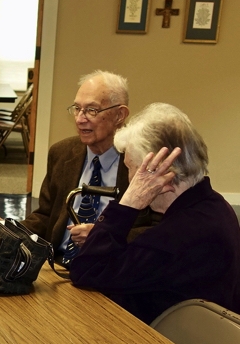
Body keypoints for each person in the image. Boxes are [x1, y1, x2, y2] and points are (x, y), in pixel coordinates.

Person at [70, 103, 240, 324]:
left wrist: (128, 203)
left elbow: (86, 271)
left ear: (160, 170)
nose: (129, 179)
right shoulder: (214, 206)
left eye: (131, 168)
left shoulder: (180, 234)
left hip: (160, 341)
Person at [18, 70, 139, 257]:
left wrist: (103, 236)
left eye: (91, 110)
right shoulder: (61, 153)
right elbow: (45, 216)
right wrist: (5, 228)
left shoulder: (141, 162)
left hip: (111, 265)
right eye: (77, 108)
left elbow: (156, 231)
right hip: (57, 262)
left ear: (120, 115)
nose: (80, 119)